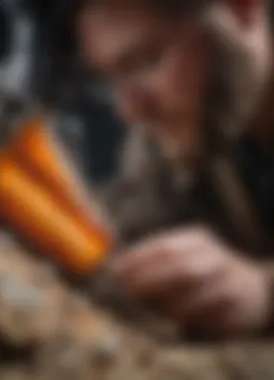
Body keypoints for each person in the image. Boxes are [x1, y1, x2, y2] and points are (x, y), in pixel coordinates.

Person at [45, 0, 274, 339]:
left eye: (146, 61)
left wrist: (265, 293)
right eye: (111, 77)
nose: (128, 110)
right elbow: (120, 231)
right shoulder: (175, 131)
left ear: (242, 9)